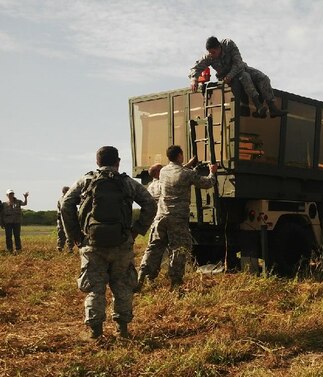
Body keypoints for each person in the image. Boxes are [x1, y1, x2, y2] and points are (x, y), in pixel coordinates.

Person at [61, 146, 157, 339]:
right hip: (122, 243)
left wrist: (76, 236)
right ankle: (123, 330)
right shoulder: (127, 182)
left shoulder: (87, 180)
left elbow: (66, 204)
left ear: (97, 162)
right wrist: (136, 230)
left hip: (92, 244)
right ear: (118, 162)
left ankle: (96, 333)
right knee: (122, 286)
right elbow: (150, 203)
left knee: (95, 289)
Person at [137, 145, 217, 291]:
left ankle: (140, 278)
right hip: (177, 220)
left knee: (154, 248)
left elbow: (177, 172)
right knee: (179, 249)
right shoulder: (187, 174)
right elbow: (207, 183)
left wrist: (189, 165)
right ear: (180, 155)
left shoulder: (163, 172)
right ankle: (175, 284)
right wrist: (212, 173)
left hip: (160, 217)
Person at [188, 36, 287, 118]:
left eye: (213, 52)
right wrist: (194, 79)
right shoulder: (209, 56)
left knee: (263, 78)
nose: (211, 55)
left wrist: (230, 75)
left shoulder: (228, 45)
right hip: (227, 78)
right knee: (245, 77)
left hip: (239, 69)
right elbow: (195, 68)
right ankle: (258, 106)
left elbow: (238, 63)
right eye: (210, 52)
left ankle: (272, 107)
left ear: (219, 47)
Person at [56, 186, 75, 252]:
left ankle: (70, 248)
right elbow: (58, 208)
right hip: (61, 218)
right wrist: (58, 214)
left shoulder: (71, 199)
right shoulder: (60, 199)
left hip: (69, 218)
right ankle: (60, 246)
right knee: (60, 232)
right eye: (66, 190)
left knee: (69, 232)